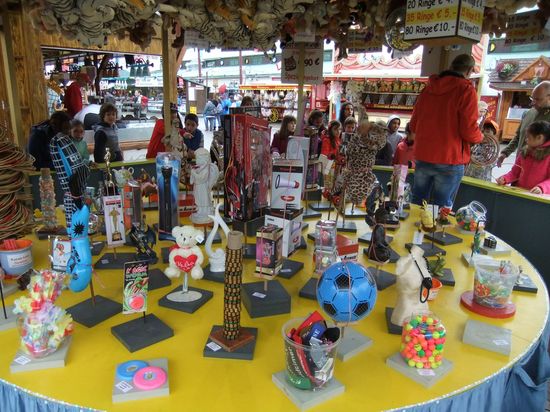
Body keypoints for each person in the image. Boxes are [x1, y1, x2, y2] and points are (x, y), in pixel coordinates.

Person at [409, 54, 483, 213]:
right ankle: (435, 236)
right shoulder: (466, 90)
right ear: (470, 70)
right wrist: (480, 137)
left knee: (417, 201)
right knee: (441, 206)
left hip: (423, 155)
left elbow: (414, 124)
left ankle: (413, 236)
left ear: (451, 66)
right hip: (450, 157)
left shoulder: (428, 88)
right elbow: (469, 130)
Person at [497, 81, 550, 167]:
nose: (533, 103)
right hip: (518, 166)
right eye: (532, 98)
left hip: (539, 171)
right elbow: (518, 137)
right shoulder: (528, 113)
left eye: (538, 99)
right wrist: (505, 153)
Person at [497, 121, 550, 194]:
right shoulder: (525, 152)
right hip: (520, 193)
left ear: (539, 137)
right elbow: (515, 172)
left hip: (539, 198)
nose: (526, 140)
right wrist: (505, 178)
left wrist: (542, 187)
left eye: (528, 137)